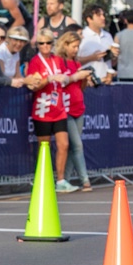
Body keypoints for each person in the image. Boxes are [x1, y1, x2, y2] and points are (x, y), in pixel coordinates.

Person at [26, 28, 76, 193]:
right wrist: (48, 79)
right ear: (38, 45)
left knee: (64, 144)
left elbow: (66, 79)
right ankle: (43, 180)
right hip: (43, 110)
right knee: (44, 148)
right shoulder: (35, 62)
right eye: (41, 43)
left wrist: (68, 78)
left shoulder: (58, 60)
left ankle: (61, 180)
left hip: (58, 108)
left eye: (48, 42)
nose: (45, 46)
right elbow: (33, 85)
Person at [56, 31, 94, 191]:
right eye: (73, 46)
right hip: (65, 109)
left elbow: (80, 87)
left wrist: (85, 79)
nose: (76, 50)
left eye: (77, 46)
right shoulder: (58, 62)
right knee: (77, 145)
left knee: (73, 147)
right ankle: (85, 180)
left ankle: (65, 179)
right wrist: (77, 76)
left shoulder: (76, 63)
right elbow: (61, 82)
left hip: (79, 107)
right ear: (65, 45)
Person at [77, 4, 117, 85]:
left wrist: (114, 56)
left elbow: (112, 63)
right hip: (88, 84)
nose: (103, 18)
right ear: (89, 19)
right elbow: (73, 61)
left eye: (103, 15)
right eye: (99, 15)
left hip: (106, 82)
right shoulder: (82, 35)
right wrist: (91, 58)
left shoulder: (108, 36)